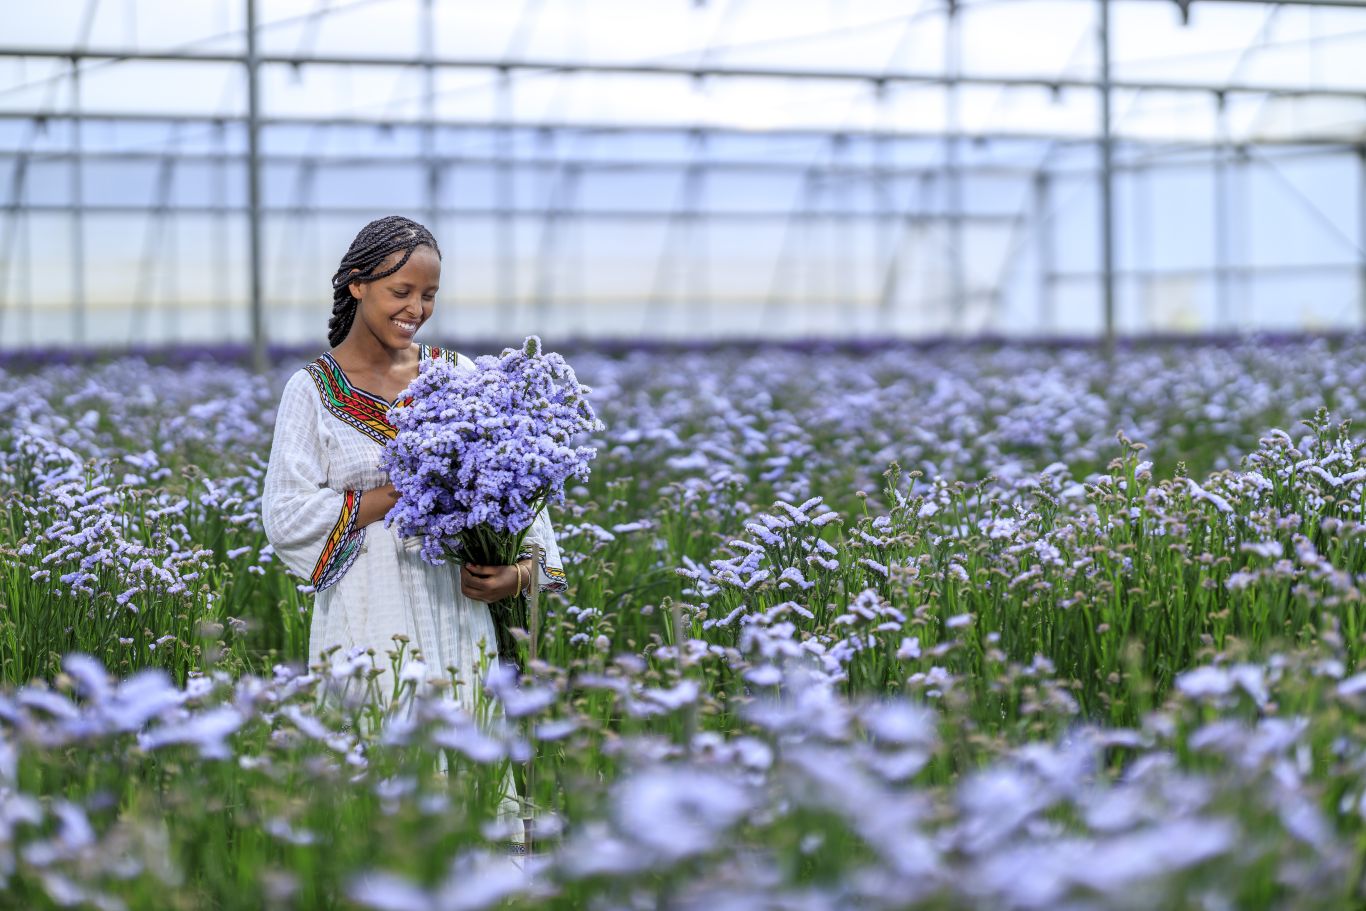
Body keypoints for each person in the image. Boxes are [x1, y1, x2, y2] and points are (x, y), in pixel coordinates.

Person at [260, 212, 567, 722]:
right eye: (401, 291)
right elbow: (287, 516)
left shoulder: (459, 375)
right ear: (357, 285)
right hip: (368, 617)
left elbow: (519, 497)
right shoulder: (312, 391)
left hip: (461, 617)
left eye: (429, 295)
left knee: (471, 760)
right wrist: (408, 490)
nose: (416, 309)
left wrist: (515, 576)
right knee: (381, 766)